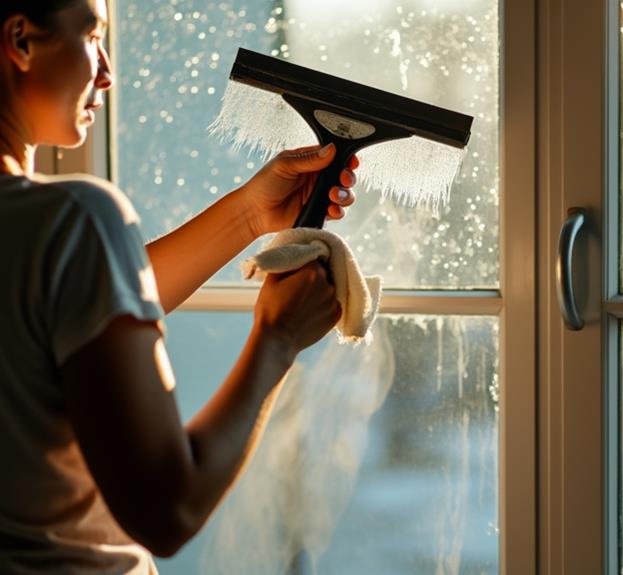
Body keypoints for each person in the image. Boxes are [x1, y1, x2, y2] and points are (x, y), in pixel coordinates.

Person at [0, 0, 360, 572]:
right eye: (93, 36)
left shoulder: (39, 232)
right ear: (20, 41)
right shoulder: (76, 218)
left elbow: (73, 307)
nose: (108, 71)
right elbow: (169, 509)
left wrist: (248, 216)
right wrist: (277, 338)